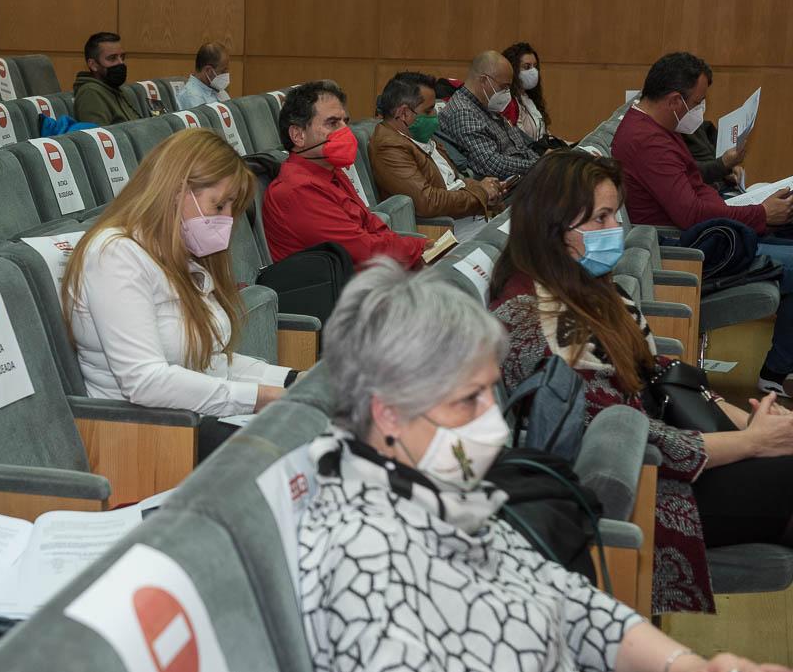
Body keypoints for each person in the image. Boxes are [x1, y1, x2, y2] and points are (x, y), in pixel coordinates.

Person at [298, 255, 789, 672]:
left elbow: (559, 593)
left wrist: (685, 665)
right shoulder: (360, 564)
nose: (492, 425)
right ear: (388, 412)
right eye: (467, 402)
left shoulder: (436, 488)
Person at [492, 150, 793, 614]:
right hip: (649, 486)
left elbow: (661, 378)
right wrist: (752, 444)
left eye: (616, 213)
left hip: (673, 459)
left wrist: (750, 420)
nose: (615, 229)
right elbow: (621, 432)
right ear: (551, 225)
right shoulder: (540, 317)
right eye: (600, 217)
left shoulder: (585, 285)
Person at [62, 128, 294, 416]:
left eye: (231, 210)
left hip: (196, 416)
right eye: (219, 205)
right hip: (152, 433)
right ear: (177, 192)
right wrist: (264, 398)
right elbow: (145, 381)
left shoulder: (180, 254)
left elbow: (212, 363)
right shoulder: (115, 255)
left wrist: (292, 382)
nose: (226, 221)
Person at [611, 52, 793, 395]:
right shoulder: (647, 140)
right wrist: (760, 215)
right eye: (698, 102)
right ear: (674, 100)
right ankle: (775, 370)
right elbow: (690, 215)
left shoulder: (658, 129)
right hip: (691, 251)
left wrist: (745, 207)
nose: (701, 110)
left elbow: (696, 195)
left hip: (706, 235)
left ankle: (778, 368)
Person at [262, 80, 426, 267]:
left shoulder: (332, 172)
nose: (345, 131)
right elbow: (363, 251)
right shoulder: (296, 190)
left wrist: (416, 250)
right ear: (298, 135)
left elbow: (373, 225)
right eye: (332, 123)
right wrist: (420, 248)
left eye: (345, 122)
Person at [368, 71, 504, 240]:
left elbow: (453, 180)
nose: (435, 115)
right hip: (443, 229)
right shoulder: (388, 146)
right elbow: (427, 201)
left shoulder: (418, 135)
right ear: (404, 113)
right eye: (429, 110)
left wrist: (485, 187)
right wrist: (480, 194)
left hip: (464, 218)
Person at [438, 50, 541, 180]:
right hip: (506, 185)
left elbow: (520, 146)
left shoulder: (487, 104)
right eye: (504, 87)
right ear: (483, 80)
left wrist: (542, 163)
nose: (507, 93)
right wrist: (538, 166)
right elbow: (491, 163)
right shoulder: (463, 112)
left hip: (523, 175)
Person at [73, 31, 140, 125]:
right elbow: (99, 136)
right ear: (93, 65)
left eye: (122, 57)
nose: (121, 63)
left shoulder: (113, 88)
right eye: (112, 58)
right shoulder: (90, 93)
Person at [503, 41, 554, 143]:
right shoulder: (507, 102)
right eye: (527, 67)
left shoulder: (528, 97)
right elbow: (521, 142)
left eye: (535, 66)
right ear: (513, 69)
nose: (533, 71)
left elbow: (544, 135)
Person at [176, 42, 230, 109]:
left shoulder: (220, 91)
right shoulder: (191, 97)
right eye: (223, 71)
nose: (226, 74)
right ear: (208, 71)